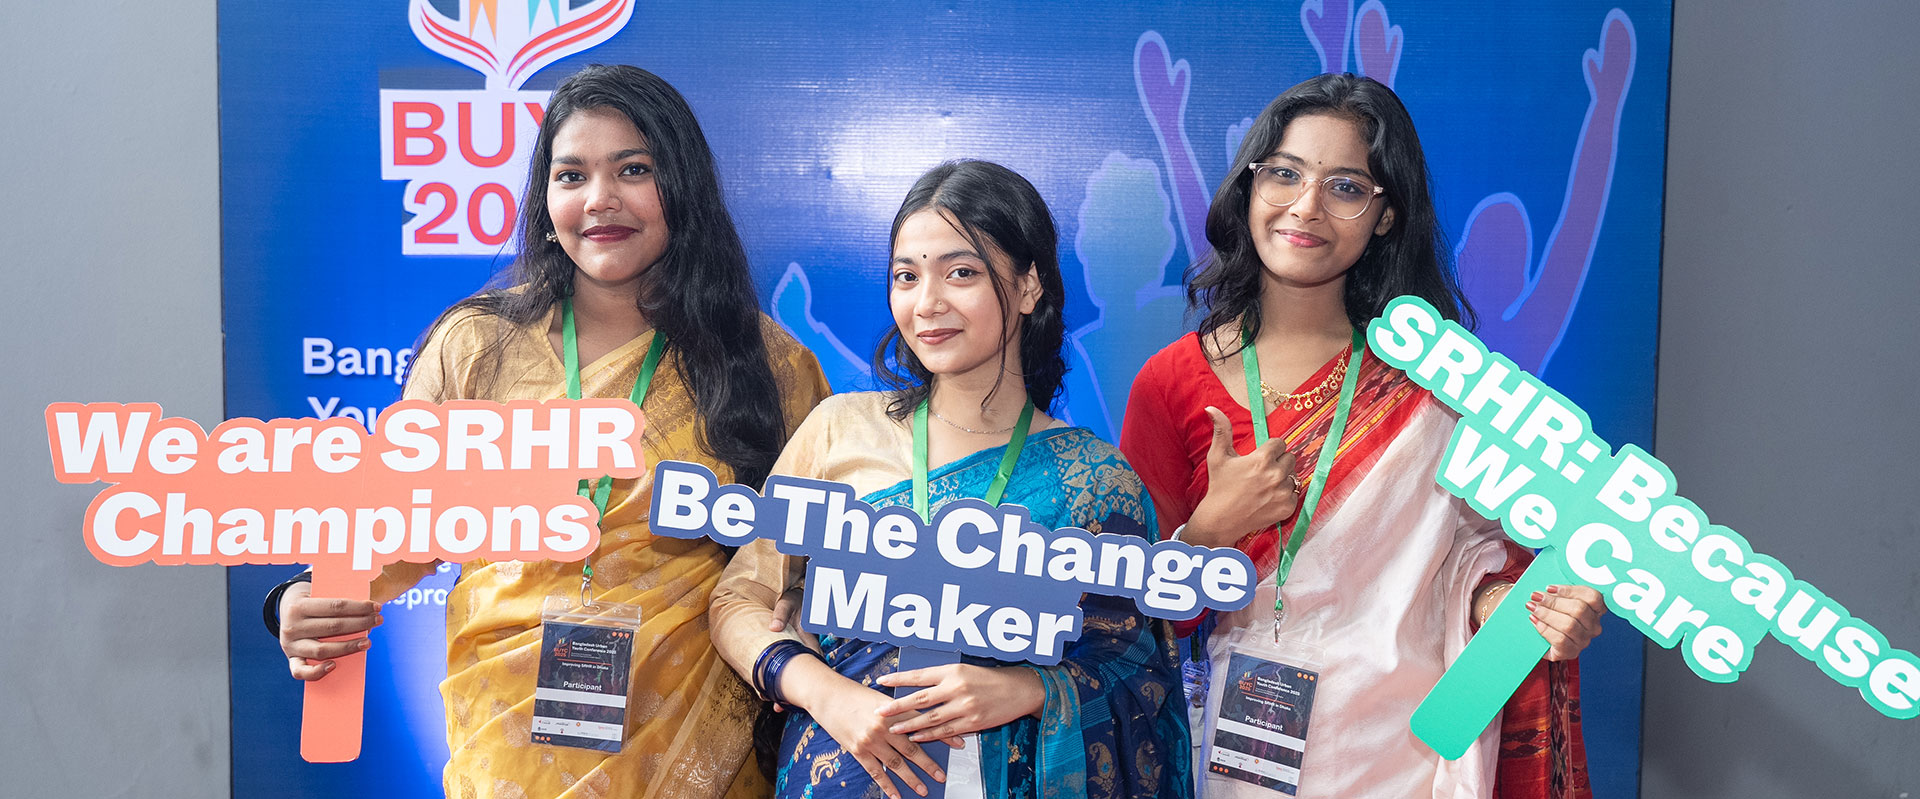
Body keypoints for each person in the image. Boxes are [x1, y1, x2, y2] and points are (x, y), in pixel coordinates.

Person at [265, 64, 830, 799]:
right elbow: (397, 525)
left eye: (634, 169)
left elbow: (809, 563)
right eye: (572, 175)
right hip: (507, 738)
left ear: (682, 186)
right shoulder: (475, 346)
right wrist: (304, 597)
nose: (600, 201)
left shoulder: (770, 365)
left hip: (698, 745)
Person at [1119, 73, 1605, 798]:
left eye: (1346, 187)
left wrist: (1515, 609)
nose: (1305, 206)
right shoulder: (1171, 381)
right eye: (1283, 174)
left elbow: (1488, 561)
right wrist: (1213, 529)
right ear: (1250, 187)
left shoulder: (1436, 382)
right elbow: (1127, 613)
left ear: (1385, 216)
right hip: (1234, 752)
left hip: (1404, 750)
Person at [708, 160, 1191, 799]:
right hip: (838, 768)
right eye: (906, 277)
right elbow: (738, 599)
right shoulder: (838, 431)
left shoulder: (1096, 480)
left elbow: (1138, 671)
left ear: (1027, 287)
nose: (927, 303)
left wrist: (1026, 689)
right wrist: (830, 696)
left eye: (961, 273)